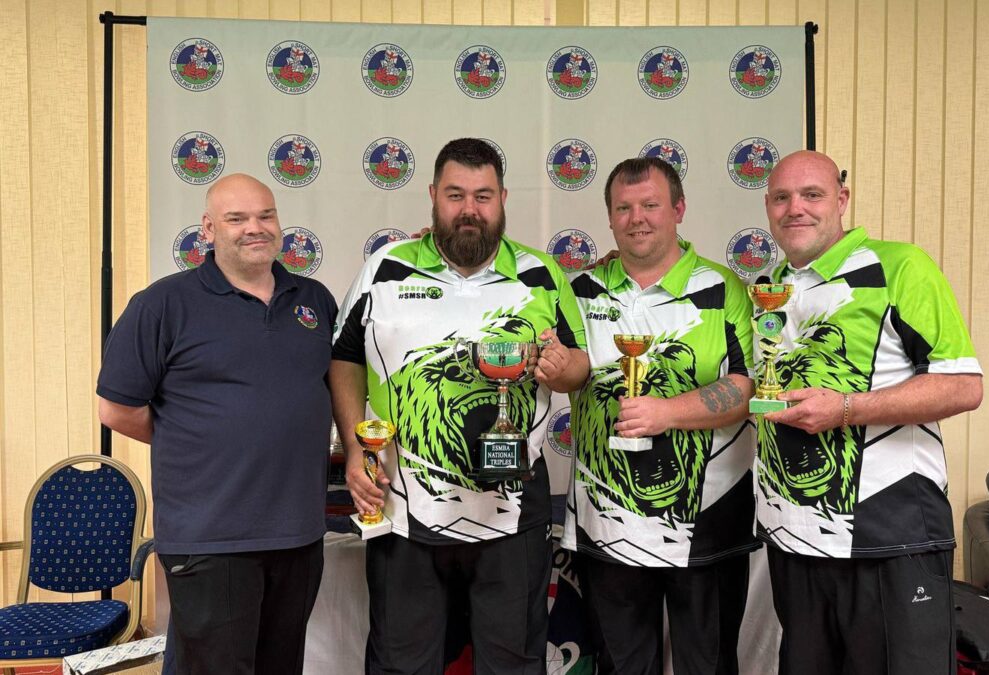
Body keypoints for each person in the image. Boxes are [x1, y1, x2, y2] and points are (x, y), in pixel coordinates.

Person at [329, 137, 590, 675]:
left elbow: (580, 367)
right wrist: (356, 449)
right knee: (401, 664)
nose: (469, 209)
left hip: (513, 511)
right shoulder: (385, 268)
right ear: (433, 196)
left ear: (503, 199)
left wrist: (562, 367)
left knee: (512, 664)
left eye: (482, 196)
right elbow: (345, 357)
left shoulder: (542, 274)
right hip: (402, 508)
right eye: (455, 195)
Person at [97, 174, 337, 675]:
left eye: (266, 215)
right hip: (210, 537)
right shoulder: (162, 304)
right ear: (208, 229)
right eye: (237, 218)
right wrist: (196, 439)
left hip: (298, 534)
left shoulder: (314, 299)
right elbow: (116, 409)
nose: (255, 228)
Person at [755, 150, 983, 675]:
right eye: (782, 197)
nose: (795, 208)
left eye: (812, 195)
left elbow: (964, 386)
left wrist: (846, 408)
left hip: (889, 535)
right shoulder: (769, 287)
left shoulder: (901, 265)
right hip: (792, 539)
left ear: (842, 199)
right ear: (768, 207)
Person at [561, 157, 758, 674]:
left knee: (708, 666)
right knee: (622, 667)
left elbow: (748, 386)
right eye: (623, 208)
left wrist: (667, 412)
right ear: (609, 217)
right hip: (606, 520)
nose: (637, 218)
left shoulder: (724, 288)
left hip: (710, 518)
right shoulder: (578, 291)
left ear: (678, 210)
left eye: (650, 205)